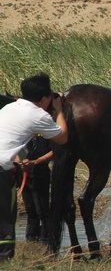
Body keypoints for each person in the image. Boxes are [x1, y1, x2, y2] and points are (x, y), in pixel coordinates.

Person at [0, 73, 68, 260]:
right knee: (5, 218)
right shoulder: (38, 115)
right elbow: (62, 137)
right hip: (1, 170)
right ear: (45, 98)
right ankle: (4, 260)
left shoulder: (9, 107)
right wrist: (59, 110)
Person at [20, 135, 54, 243]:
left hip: (40, 173)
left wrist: (37, 161)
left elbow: (56, 150)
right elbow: (15, 148)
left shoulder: (46, 132)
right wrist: (22, 161)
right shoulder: (22, 132)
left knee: (42, 211)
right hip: (24, 174)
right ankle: (30, 240)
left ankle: (46, 240)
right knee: (30, 210)